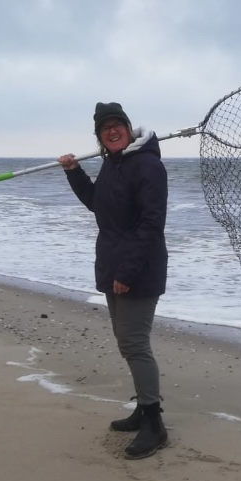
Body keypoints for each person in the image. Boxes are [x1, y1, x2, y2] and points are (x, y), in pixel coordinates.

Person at [58, 101, 169, 460]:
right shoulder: (112, 164)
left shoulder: (148, 165)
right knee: (126, 342)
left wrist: (127, 273)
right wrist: (75, 173)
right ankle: (142, 408)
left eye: (116, 125)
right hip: (111, 263)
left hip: (138, 268)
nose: (111, 131)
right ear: (99, 136)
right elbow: (98, 205)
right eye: (104, 128)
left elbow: (152, 225)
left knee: (135, 343)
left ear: (127, 127)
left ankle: (154, 423)